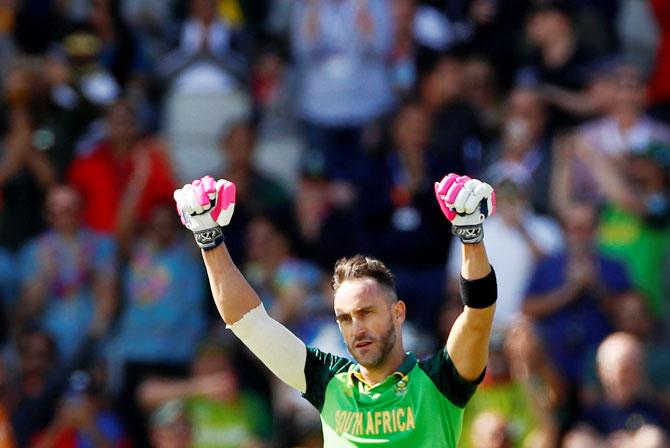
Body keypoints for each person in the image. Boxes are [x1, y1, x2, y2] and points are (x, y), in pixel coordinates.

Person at [173, 172, 498, 446]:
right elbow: (248, 323)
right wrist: (209, 237)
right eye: (345, 318)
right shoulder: (328, 381)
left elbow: (478, 312)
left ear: (398, 313)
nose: (356, 328)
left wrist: (470, 236)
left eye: (367, 313)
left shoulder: (439, 381)